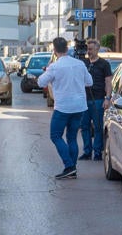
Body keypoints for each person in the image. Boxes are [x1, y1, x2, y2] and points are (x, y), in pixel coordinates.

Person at [36, 37, 92, 179]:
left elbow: (40, 82)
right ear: (67, 49)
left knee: (55, 135)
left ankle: (69, 166)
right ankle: (72, 169)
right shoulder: (79, 64)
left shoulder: (55, 66)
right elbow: (89, 82)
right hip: (79, 106)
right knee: (72, 137)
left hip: (63, 107)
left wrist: (49, 69)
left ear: (54, 51)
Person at [81, 39, 111, 160]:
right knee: (84, 126)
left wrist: (107, 98)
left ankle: (97, 152)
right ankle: (87, 151)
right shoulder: (83, 63)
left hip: (98, 99)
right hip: (84, 100)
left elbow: (108, 82)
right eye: (88, 49)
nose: (89, 52)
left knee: (98, 127)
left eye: (91, 49)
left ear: (97, 49)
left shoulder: (104, 64)